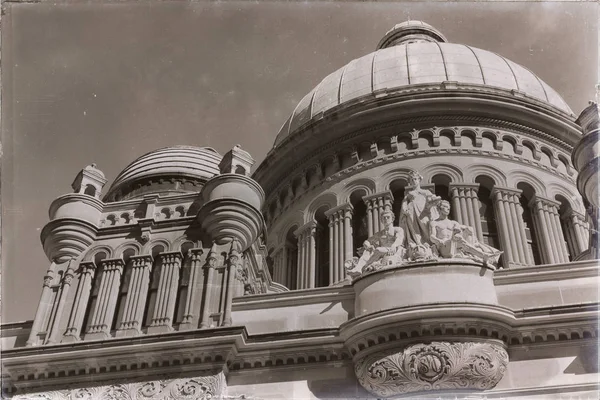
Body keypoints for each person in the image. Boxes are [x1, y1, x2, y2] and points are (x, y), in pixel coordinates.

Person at [429, 200, 502, 267]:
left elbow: (460, 231)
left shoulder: (453, 223)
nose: (448, 208)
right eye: (445, 207)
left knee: (462, 237)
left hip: (455, 243)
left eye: (449, 207)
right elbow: (432, 236)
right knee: (457, 239)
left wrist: (464, 230)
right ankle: (483, 255)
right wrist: (438, 240)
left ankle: (483, 255)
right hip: (443, 247)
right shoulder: (434, 223)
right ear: (439, 209)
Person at [346, 210, 405, 277]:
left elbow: (399, 239)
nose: (386, 219)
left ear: (392, 219)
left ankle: (365, 266)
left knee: (378, 250)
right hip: (383, 250)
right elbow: (367, 241)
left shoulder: (397, 229)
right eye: (384, 218)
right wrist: (367, 245)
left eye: (388, 217)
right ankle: (358, 268)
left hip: (394, 250)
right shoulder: (379, 234)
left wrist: (394, 246)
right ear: (382, 220)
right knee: (368, 250)